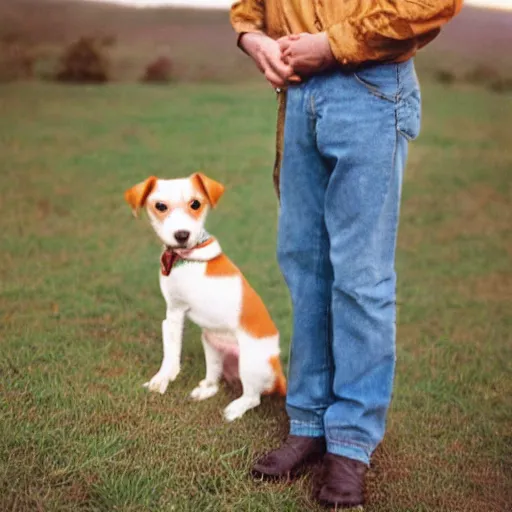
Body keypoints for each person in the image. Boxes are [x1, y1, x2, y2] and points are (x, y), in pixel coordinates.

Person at [230, 1, 463, 508]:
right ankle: (310, 422)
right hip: (297, 94)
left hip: (372, 88)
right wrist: (255, 39)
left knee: (361, 278)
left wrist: (331, 44)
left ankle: (352, 441)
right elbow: (251, 8)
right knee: (306, 267)